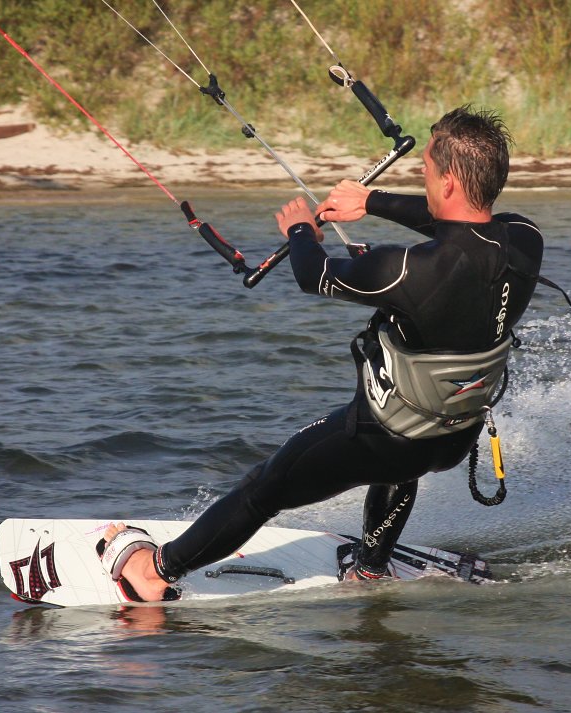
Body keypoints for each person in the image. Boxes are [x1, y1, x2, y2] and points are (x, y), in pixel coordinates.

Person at [101, 105, 544, 601]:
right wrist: (370, 201)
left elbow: (313, 275)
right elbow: (462, 235)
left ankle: (156, 570)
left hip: (386, 436)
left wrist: (300, 232)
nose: (424, 182)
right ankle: (371, 568)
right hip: (453, 435)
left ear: (446, 185)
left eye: (426, 172)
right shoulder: (526, 240)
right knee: (405, 462)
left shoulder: (402, 271)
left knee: (265, 487)